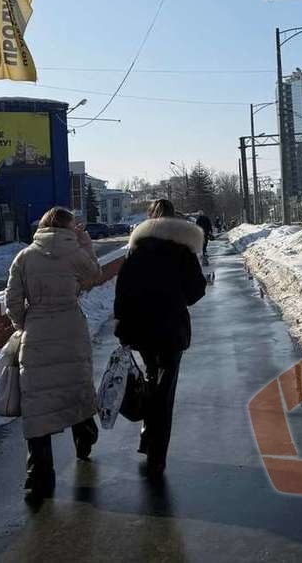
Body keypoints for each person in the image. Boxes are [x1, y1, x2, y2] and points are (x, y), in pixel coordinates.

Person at [5, 206, 102, 502]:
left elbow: (12, 301)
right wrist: (85, 243)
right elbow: (94, 276)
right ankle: (84, 437)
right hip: (71, 329)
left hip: (36, 334)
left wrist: (24, 324)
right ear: (68, 228)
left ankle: (39, 476)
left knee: (37, 403)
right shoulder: (74, 254)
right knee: (75, 386)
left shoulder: (25, 256)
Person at [114, 199, 207, 478]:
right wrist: (177, 298)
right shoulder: (182, 249)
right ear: (174, 217)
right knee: (165, 390)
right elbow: (196, 289)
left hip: (141, 328)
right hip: (171, 329)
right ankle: (156, 454)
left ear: (149, 218)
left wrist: (122, 325)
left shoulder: (137, 249)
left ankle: (147, 435)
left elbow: (122, 290)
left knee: (151, 376)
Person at [194, 210, 214, 278]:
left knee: (202, 241)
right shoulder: (206, 218)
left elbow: (196, 225)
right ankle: (204, 249)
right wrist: (210, 230)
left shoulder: (198, 219)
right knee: (206, 241)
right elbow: (209, 224)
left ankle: (203, 249)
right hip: (206, 231)